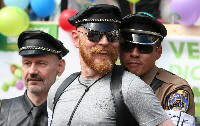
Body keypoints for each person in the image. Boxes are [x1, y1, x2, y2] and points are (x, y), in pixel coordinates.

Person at [47, 4, 175, 126]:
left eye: (112, 36)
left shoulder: (131, 88)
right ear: (76, 38)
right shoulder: (58, 89)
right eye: (94, 35)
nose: (104, 42)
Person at [120, 13, 195, 125]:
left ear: (158, 52)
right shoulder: (107, 80)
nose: (134, 54)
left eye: (144, 48)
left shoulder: (175, 90)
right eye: (127, 47)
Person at [0, 30, 68, 126]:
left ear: (60, 67)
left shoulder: (73, 113)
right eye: (27, 63)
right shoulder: (3, 110)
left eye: (41, 63)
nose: (32, 71)